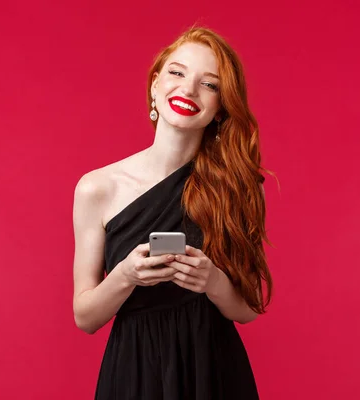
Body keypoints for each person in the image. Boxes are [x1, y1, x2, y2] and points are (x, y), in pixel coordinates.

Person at [72, 26, 273, 400]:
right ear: (154, 84)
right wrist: (126, 275)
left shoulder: (242, 187)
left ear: (220, 108)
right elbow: (85, 317)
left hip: (212, 368)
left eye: (209, 84)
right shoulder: (97, 188)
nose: (189, 90)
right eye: (177, 73)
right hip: (134, 370)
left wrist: (211, 280)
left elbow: (247, 310)